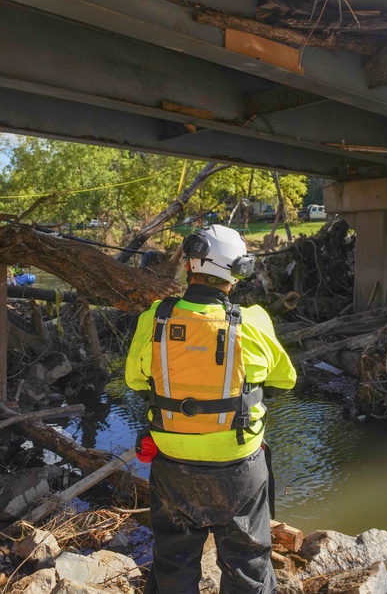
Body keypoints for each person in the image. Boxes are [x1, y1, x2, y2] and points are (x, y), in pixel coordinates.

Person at [125, 224, 297, 594]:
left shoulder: (155, 317)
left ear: (189, 267)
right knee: (247, 566)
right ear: (238, 273)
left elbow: (136, 381)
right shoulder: (252, 320)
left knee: (173, 561)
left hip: (172, 462)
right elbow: (285, 381)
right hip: (238, 466)